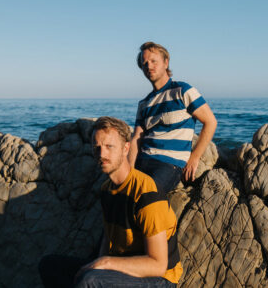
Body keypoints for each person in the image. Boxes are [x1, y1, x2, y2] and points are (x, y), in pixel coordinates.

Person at [39, 116, 182, 288]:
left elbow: (158, 265)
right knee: (49, 266)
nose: (102, 154)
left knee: (90, 281)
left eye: (109, 146)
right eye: (97, 147)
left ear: (125, 148)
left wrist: (106, 264)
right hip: (121, 270)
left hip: (161, 280)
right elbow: (108, 240)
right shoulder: (107, 190)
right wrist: (100, 263)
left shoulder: (146, 193)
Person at [128, 42, 217, 193]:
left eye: (153, 61)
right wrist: (128, 171)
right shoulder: (144, 103)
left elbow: (210, 122)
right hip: (143, 160)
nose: (149, 66)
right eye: (144, 63)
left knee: (147, 196)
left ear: (165, 62)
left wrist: (194, 158)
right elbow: (137, 138)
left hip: (169, 163)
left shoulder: (182, 91)